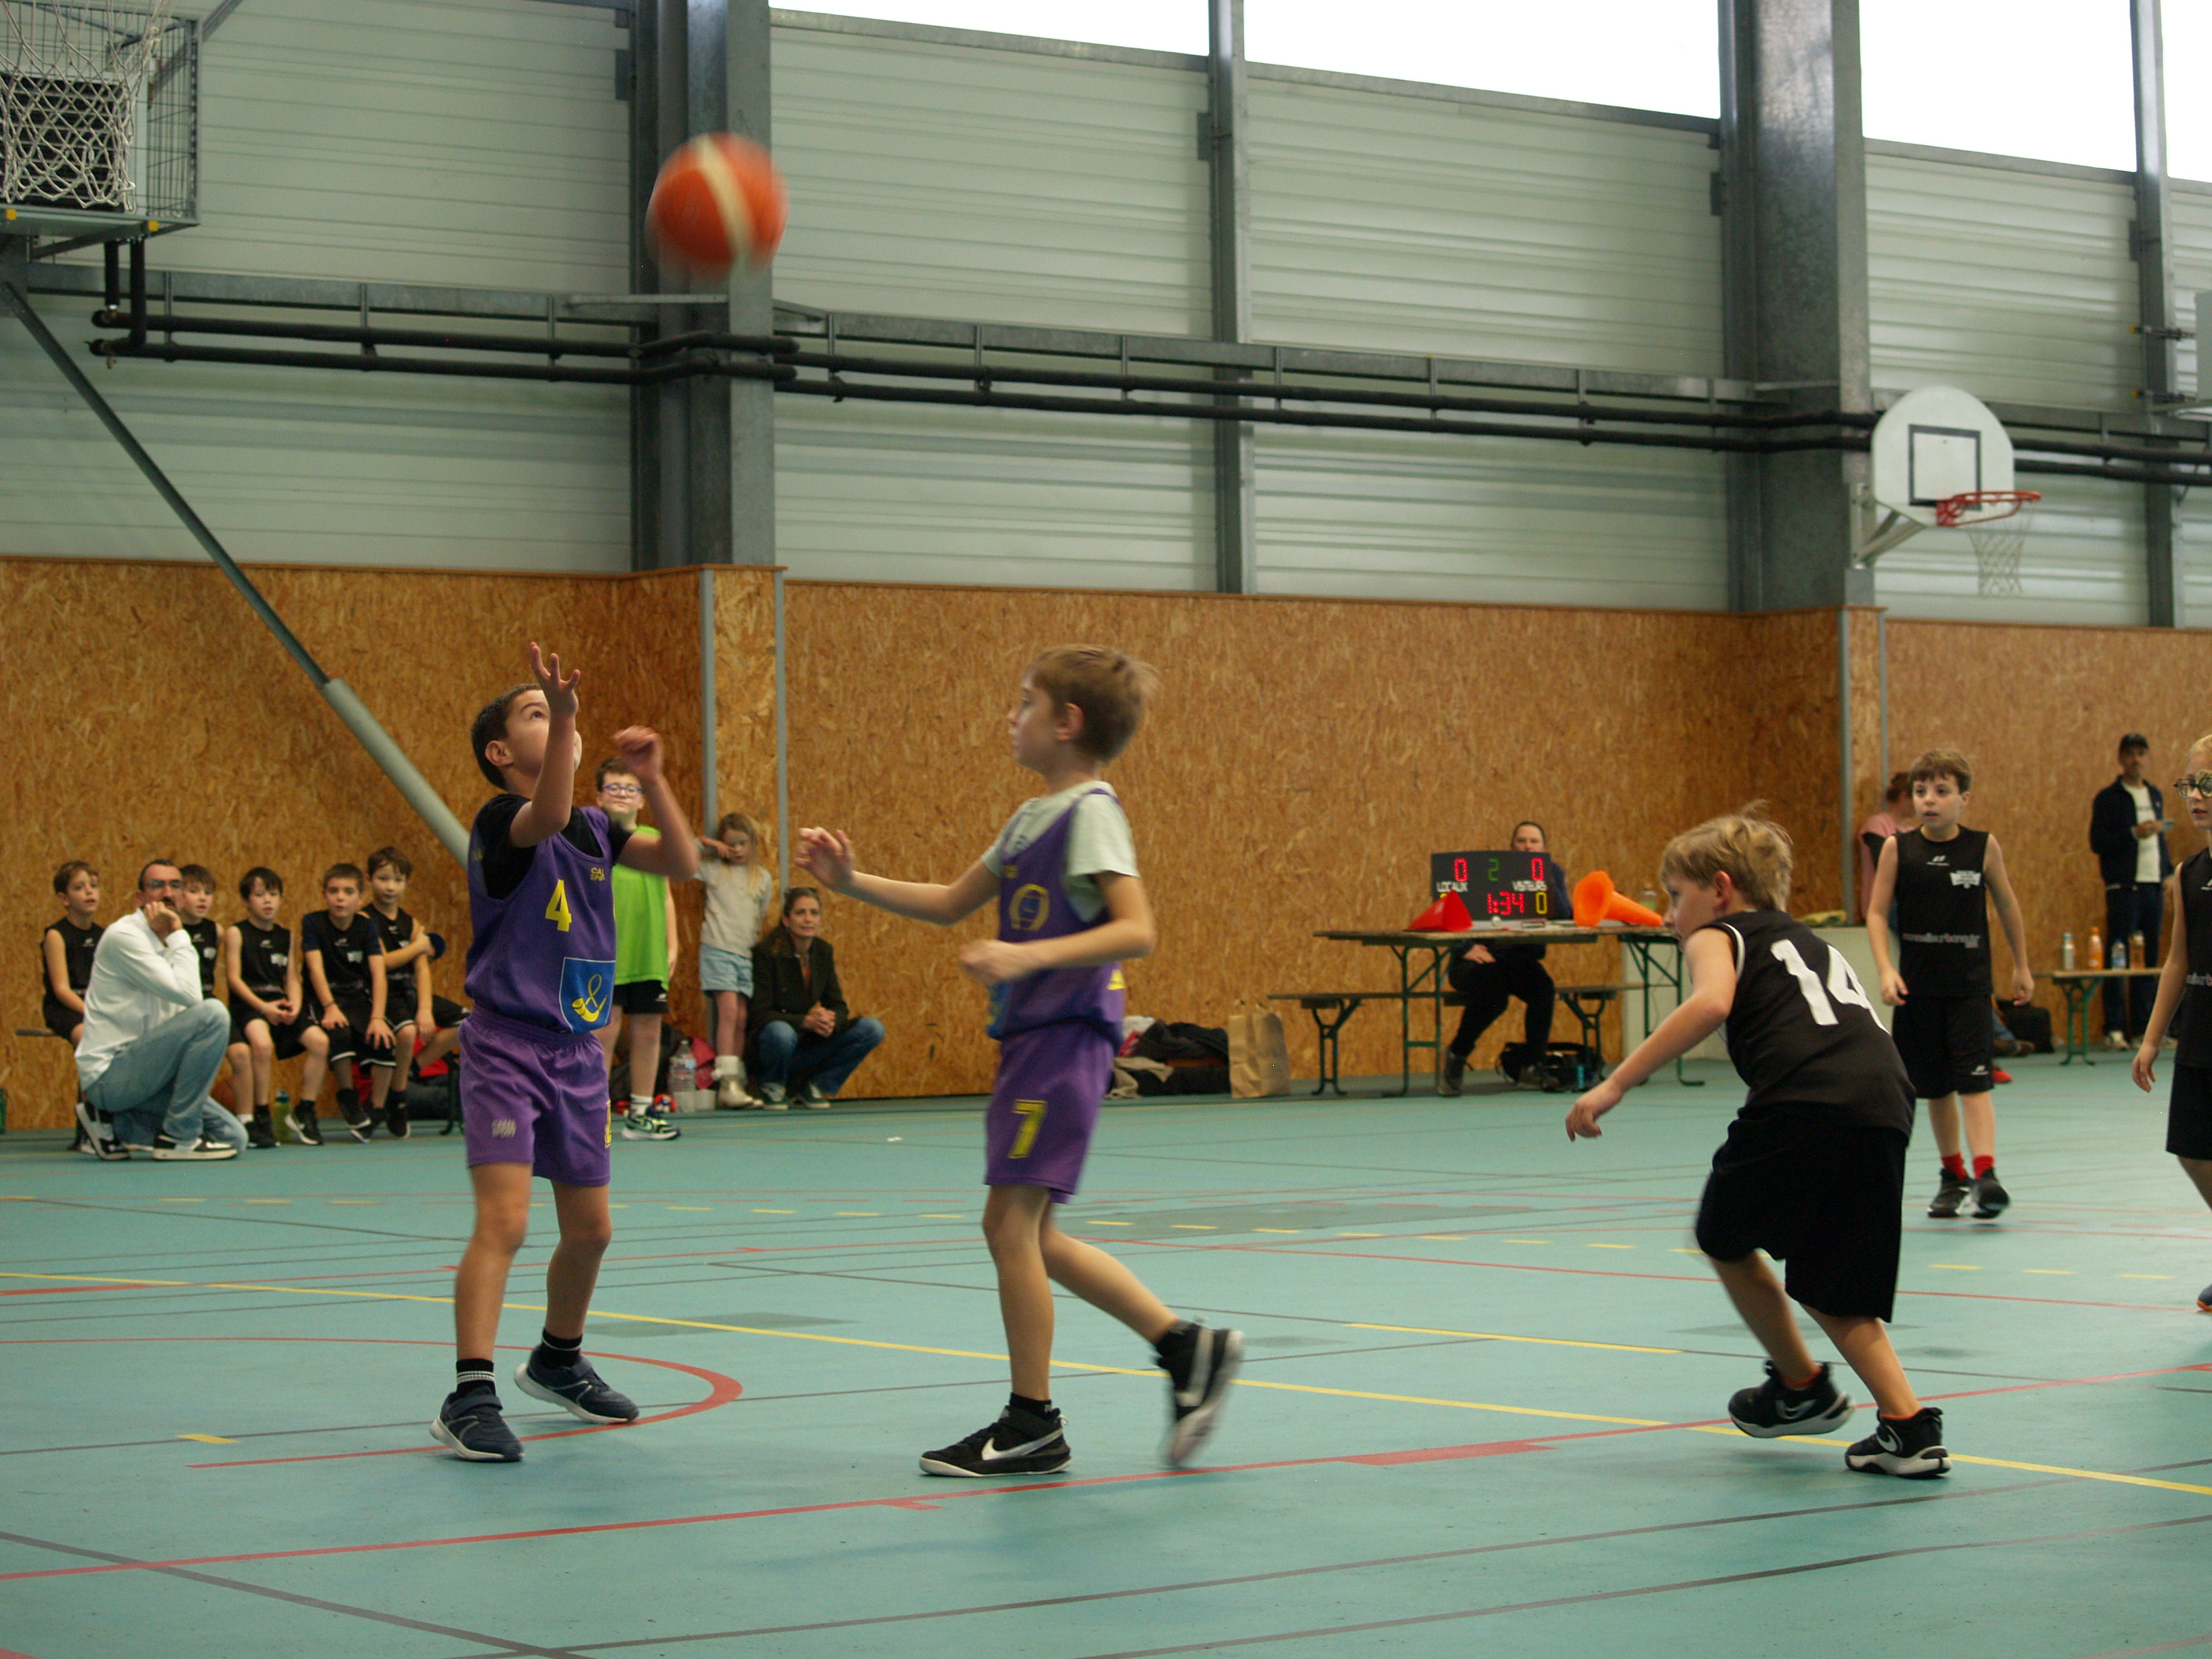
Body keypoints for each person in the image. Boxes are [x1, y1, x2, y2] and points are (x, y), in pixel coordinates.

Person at [797, 644, 1242, 1477]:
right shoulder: (1031, 818)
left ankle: (1033, 1421)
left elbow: (1136, 929)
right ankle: (1186, 1347)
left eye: (1026, 702)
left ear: (1067, 723)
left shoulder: (1093, 813)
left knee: (1010, 1225)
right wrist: (850, 881)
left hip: (1066, 1036)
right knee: (1032, 1232)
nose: (1012, 715)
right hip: (1033, 1040)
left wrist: (1026, 957)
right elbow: (949, 902)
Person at [1566, 809, 1949, 1479]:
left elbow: (1711, 1004)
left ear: (1720, 889)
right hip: (1885, 1097)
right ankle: (1908, 1428)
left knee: (1722, 1233)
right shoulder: (1808, 941)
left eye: (1676, 897)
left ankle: (1801, 1387)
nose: (1671, 915)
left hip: (1806, 1096)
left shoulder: (1718, 934)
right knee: (1835, 1280)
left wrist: (1616, 1083)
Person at [432, 644, 698, 1463]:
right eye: (537, 713)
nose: (558, 721)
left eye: (559, 712)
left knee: (592, 1230)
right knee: (507, 1221)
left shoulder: (598, 828)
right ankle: (469, 1394)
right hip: (507, 1046)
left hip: (577, 1052)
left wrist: (654, 780)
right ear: (499, 752)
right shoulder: (500, 822)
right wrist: (571, 713)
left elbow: (683, 862)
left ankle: (557, 1358)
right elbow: (544, 815)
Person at [1866, 749, 2034, 1222]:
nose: (1929, 800)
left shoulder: (1982, 847)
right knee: (1935, 1090)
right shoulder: (1898, 849)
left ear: (1965, 798)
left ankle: (1986, 1174)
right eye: (1921, 792)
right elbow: (1876, 913)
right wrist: (1886, 970)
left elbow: (2007, 905)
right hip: (1919, 991)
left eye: (1941, 792)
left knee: (1974, 1083)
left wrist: (2021, 966)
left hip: (1969, 989)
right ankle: (1953, 1174)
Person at [72, 859, 245, 1162]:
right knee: (214, 1014)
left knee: (234, 1138)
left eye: (175, 886)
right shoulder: (125, 937)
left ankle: (111, 1120)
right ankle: (178, 1137)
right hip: (112, 1076)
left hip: (150, 1075)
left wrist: (175, 936)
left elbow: (184, 1007)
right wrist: (178, 932)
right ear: (140, 898)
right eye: (157, 886)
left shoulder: (171, 941)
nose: (167, 893)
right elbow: (192, 996)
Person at [2133, 737, 2212, 1309]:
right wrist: (2152, 1038)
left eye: (2208, 785)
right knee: (2192, 1152)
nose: (2197, 797)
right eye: (2191, 785)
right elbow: (2178, 961)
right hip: (2200, 1036)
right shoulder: (2187, 873)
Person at [1439, 821, 1571, 1095]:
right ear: (1511, 848)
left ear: (1544, 848)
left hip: (1516, 961)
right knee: (1495, 994)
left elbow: (1564, 914)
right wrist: (1464, 947)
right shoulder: (1488, 873)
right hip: (1475, 960)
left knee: (1543, 989)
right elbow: (1448, 910)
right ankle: (1457, 1054)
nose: (1527, 847)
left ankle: (1533, 1065)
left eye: (1534, 842)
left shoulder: (1553, 872)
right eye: (1521, 841)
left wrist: (1543, 876)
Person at [594, 759, 680, 1141]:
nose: (622, 795)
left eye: (630, 788)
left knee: (648, 1031)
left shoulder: (653, 839)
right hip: (608, 953)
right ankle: (595, 1114)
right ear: (599, 797)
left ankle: (642, 1113)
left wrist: (672, 944)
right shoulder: (593, 841)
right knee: (604, 1031)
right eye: (614, 787)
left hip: (649, 954)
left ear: (642, 799)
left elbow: (666, 896)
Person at [745, 888, 884, 1108]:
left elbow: (838, 1005)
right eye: (800, 913)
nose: (808, 919)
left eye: (814, 913)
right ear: (787, 920)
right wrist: (806, 1022)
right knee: (781, 1032)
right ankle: (771, 1085)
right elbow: (759, 1014)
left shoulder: (823, 951)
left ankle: (815, 1086)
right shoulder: (767, 953)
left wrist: (830, 1021)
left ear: (820, 919)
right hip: (774, 1044)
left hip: (807, 1042)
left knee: (872, 1029)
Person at [224, 866, 331, 1149]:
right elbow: (234, 979)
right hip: (251, 1005)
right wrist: (264, 1008)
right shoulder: (236, 933)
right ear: (246, 901)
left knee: (320, 1042)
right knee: (262, 1045)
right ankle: (262, 1114)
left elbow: (292, 978)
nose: (267, 901)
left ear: (282, 899)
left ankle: (305, 1111)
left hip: (281, 1004)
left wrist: (294, 1005)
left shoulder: (286, 936)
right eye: (260, 895)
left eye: (273, 895)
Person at [2091, 733, 2173, 1050]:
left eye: (2141, 753)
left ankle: (2143, 1028)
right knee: (2119, 957)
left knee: (2148, 960)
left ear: (2147, 758)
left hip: (2153, 887)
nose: (2136, 759)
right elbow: (2098, 842)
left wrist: (2167, 871)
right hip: (2124, 889)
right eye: (2130, 754)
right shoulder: (2109, 798)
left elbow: (2160, 840)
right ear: (2121, 758)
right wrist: (2133, 834)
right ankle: (2114, 1028)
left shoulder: (2154, 795)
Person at [302, 863, 394, 1141]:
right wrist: (329, 1006)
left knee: (384, 1039)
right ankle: (348, 1096)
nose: (340, 898)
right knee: (338, 1032)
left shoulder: (367, 926)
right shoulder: (313, 923)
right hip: (325, 998)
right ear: (324, 894)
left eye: (348, 892)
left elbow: (379, 975)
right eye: (334, 891)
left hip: (356, 997)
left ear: (360, 897)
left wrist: (378, 1017)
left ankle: (377, 1108)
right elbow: (315, 969)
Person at [695, 811, 775, 1109]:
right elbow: (683, 858)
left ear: (753, 843)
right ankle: (726, 1081)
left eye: (743, 843)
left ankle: (735, 1080)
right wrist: (706, 844)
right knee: (728, 1012)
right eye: (731, 844)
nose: (738, 850)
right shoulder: (714, 870)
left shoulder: (762, 878)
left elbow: (759, 915)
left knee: (741, 1018)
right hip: (718, 949)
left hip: (745, 954)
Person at [366, 846, 434, 1139]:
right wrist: (418, 946)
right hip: (381, 994)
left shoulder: (411, 923)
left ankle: (404, 1073)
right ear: (370, 880)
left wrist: (426, 1009)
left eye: (397, 880)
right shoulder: (366, 920)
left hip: (409, 992)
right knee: (406, 1033)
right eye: (383, 879)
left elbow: (422, 969)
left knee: (463, 1023)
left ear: (406, 883)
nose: (390, 887)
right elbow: (384, 962)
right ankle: (398, 1095)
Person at [41, 860, 102, 1046]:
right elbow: (61, 990)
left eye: (93, 886)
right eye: (79, 887)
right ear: (64, 899)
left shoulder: (103, 935)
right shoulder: (56, 936)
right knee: (92, 1040)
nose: (89, 892)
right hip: (66, 1008)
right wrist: (91, 1013)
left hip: (97, 1005)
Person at [1858, 773, 1910, 923]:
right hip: (1885, 904)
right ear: (1904, 796)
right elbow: (1883, 864)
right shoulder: (1878, 825)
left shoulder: (1912, 831)